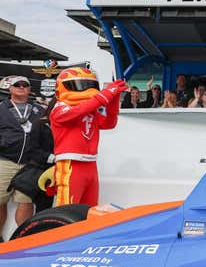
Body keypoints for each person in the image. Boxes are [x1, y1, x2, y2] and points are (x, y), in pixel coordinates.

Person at [50, 67, 128, 206]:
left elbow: (109, 123)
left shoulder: (91, 110)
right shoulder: (59, 109)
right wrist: (106, 94)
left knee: (88, 210)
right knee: (66, 210)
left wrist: (114, 99)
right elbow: (80, 110)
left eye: (89, 85)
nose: (85, 89)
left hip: (91, 164)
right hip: (70, 164)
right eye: (79, 85)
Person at [0, 76, 44, 231]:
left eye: (25, 85)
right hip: (5, 161)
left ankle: (24, 236)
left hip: (31, 164)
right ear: (9, 88)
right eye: (17, 85)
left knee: (26, 201)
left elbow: (47, 134)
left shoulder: (40, 109)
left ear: (30, 89)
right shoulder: (1, 108)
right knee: (0, 200)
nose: (21, 87)